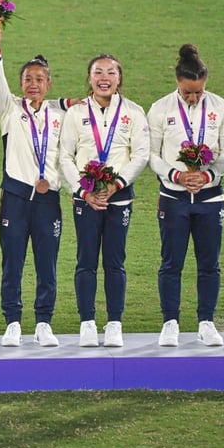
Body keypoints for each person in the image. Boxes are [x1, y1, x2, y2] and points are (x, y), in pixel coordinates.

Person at [147, 44, 224, 347]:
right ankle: (170, 322)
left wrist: (208, 175)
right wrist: (177, 176)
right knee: (172, 262)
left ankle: (206, 322)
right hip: (174, 197)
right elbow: (152, 155)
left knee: (209, 263)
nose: (193, 97)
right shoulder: (160, 109)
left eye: (198, 92)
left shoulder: (220, 108)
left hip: (210, 198)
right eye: (187, 92)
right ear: (178, 83)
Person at [59, 54, 149, 347]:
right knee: (85, 261)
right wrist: (83, 191)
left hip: (118, 199)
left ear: (119, 78)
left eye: (110, 72)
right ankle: (87, 322)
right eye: (98, 72)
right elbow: (65, 156)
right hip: (86, 199)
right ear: (90, 78)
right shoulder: (76, 113)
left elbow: (141, 154)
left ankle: (114, 323)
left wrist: (117, 184)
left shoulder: (133, 112)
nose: (104, 77)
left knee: (115, 262)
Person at [0, 28, 65, 348]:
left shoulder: (61, 115)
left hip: (48, 200)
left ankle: (44, 322)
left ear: (49, 83)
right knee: (12, 263)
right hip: (16, 198)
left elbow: (68, 155)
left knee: (47, 264)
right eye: (28, 79)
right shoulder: (8, 110)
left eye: (39, 79)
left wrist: (56, 182)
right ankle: (13, 322)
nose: (33, 84)